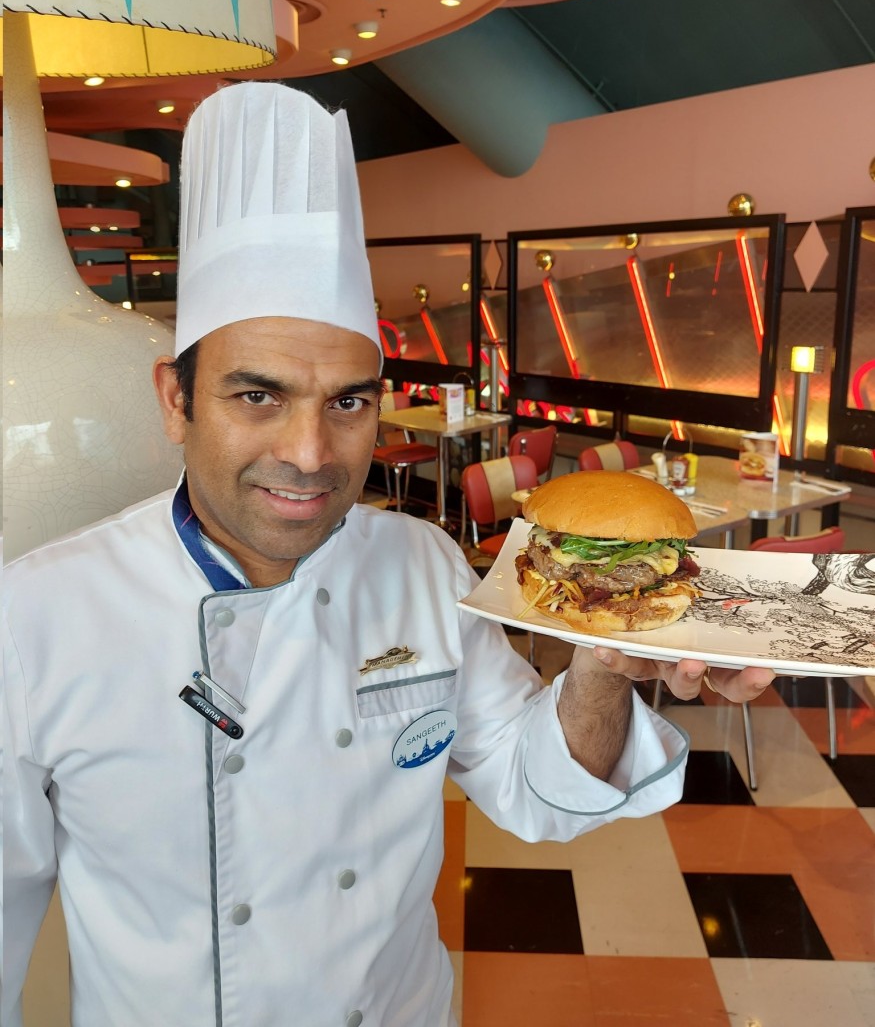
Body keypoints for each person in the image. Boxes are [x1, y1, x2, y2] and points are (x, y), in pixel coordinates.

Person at [2, 82, 774, 1027]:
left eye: (348, 401)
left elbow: (534, 787)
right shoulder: (38, 615)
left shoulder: (424, 565)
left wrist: (601, 666)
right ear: (175, 399)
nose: (309, 453)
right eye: (257, 396)